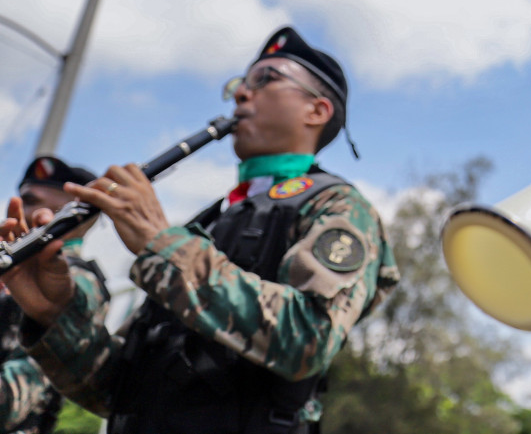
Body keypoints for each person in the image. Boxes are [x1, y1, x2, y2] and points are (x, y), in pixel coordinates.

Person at [0, 27, 399, 434]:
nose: (241, 94)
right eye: (240, 84)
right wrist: (54, 315)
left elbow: (308, 338)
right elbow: (114, 388)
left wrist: (161, 243)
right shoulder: (212, 220)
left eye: (265, 79)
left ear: (316, 110)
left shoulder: (339, 207)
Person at [0, 157, 107, 434]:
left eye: (31, 202)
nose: (21, 214)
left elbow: (13, 399)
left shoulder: (79, 285)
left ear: (78, 211)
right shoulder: (12, 271)